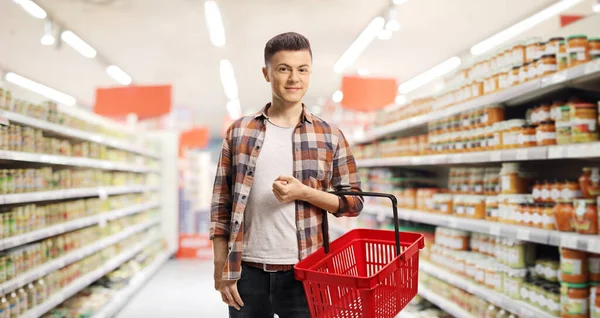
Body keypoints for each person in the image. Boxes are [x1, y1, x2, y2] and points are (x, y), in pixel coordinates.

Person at [210, 31, 363, 318]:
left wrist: (304, 193)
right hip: (247, 273)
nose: (294, 78)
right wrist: (221, 267)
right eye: (284, 69)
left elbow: (353, 202)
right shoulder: (240, 131)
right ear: (267, 73)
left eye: (302, 69)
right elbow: (221, 205)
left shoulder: (330, 136)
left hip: (305, 273)